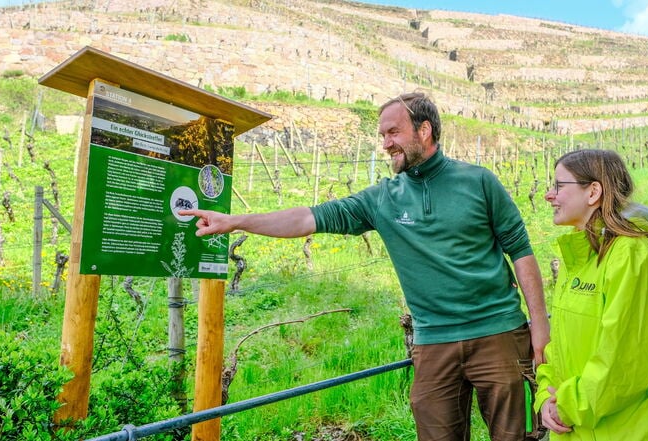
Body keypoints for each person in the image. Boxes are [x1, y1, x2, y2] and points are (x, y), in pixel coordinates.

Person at [181, 92, 550, 440]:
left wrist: (540, 327)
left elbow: (521, 251)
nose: (386, 143)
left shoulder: (479, 181)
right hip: (434, 341)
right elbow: (306, 219)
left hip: (499, 333)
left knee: (515, 435)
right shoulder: (382, 200)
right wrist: (236, 221)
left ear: (425, 130)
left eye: (393, 132)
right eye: (382, 135)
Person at [537, 149, 648, 440]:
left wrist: (568, 406)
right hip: (579, 428)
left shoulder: (635, 257)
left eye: (560, 186)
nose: (549, 195)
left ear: (593, 192)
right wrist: (545, 401)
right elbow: (558, 348)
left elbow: (628, 361)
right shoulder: (580, 258)